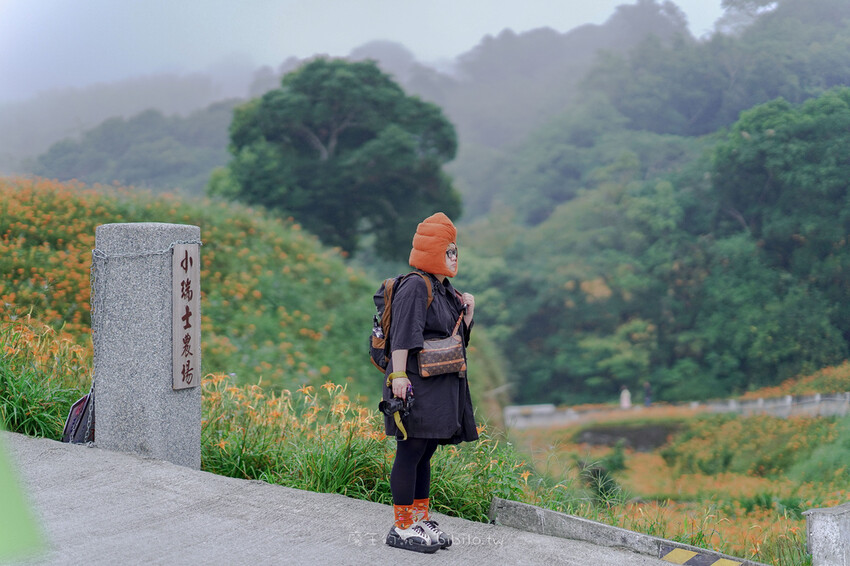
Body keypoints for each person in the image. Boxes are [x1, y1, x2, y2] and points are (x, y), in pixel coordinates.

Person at [382, 212, 478, 554]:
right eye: (449, 250)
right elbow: (402, 338)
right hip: (412, 384)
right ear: (434, 251)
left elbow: (451, 341)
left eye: (455, 250)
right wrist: (397, 378)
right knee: (410, 452)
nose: (455, 256)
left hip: (438, 386)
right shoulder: (415, 286)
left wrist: (466, 315)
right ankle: (402, 525)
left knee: (425, 454)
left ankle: (419, 518)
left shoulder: (444, 289)